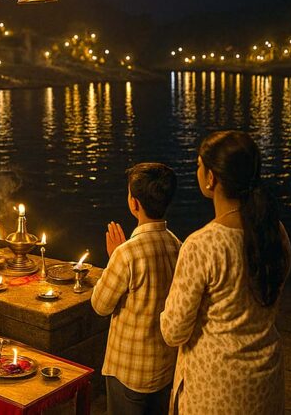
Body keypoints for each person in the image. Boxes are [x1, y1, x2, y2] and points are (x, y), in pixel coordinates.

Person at [160, 131, 291, 414]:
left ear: (211, 179)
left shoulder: (203, 245)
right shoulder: (275, 232)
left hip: (216, 386)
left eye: (198, 165)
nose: (197, 171)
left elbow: (173, 331)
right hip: (264, 379)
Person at [91, 163, 181, 415]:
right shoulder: (178, 246)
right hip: (164, 367)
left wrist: (113, 259)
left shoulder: (127, 253)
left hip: (128, 371)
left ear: (135, 203)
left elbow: (100, 305)